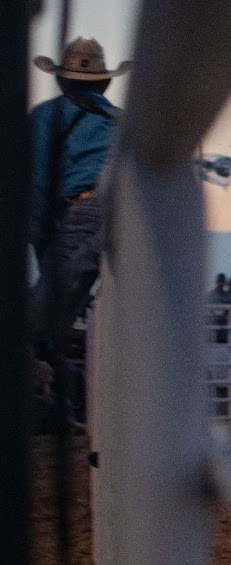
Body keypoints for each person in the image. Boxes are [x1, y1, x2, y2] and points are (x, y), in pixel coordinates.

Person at [28, 38, 129, 348]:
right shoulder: (122, 121)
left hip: (85, 211)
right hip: (127, 214)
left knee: (35, 323)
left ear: (61, 80)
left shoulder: (48, 115)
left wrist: (43, 246)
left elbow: (38, 184)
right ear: (103, 84)